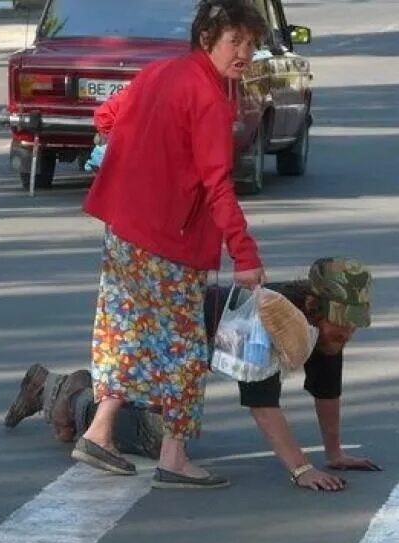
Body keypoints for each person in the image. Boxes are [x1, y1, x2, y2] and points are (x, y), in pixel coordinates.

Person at [70, 0, 270, 489]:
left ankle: (98, 431)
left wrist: (147, 157)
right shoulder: (207, 97)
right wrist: (245, 255)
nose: (243, 53)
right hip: (167, 241)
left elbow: (104, 117)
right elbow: (218, 184)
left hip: (123, 228)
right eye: (234, 41)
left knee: (126, 332)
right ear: (207, 39)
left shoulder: (159, 72)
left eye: (250, 44)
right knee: (183, 347)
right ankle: (174, 456)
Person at [5, 258, 381, 492]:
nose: (347, 335)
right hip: (172, 338)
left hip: (189, 350)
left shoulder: (323, 329)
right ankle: (63, 393)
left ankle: (86, 395)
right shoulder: (271, 321)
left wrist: (334, 453)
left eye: (353, 327)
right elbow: (263, 405)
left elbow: (326, 388)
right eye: (341, 326)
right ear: (314, 306)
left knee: (154, 428)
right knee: (149, 437)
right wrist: (301, 469)